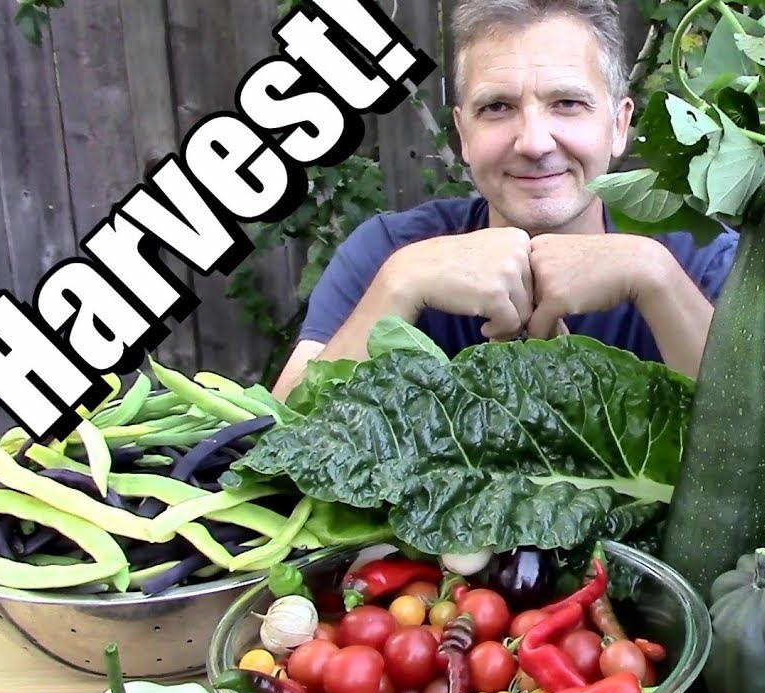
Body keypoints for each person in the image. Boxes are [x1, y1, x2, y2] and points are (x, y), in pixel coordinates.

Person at [270, 0, 738, 401]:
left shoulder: (703, 262)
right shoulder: (386, 252)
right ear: (463, 133)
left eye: (567, 104)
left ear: (618, 125)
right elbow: (276, 441)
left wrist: (656, 280)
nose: (534, 143)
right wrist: (400, 285)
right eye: (497, 107)